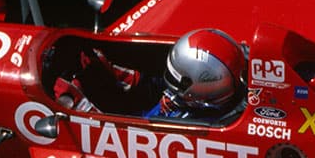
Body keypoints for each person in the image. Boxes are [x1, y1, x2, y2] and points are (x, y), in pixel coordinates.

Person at [53, 28, 246, 121]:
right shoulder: (232, 81)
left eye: (174, 78)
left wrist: (80, 106)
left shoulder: (182, 122)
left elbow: (131, 132)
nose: (169, 81)